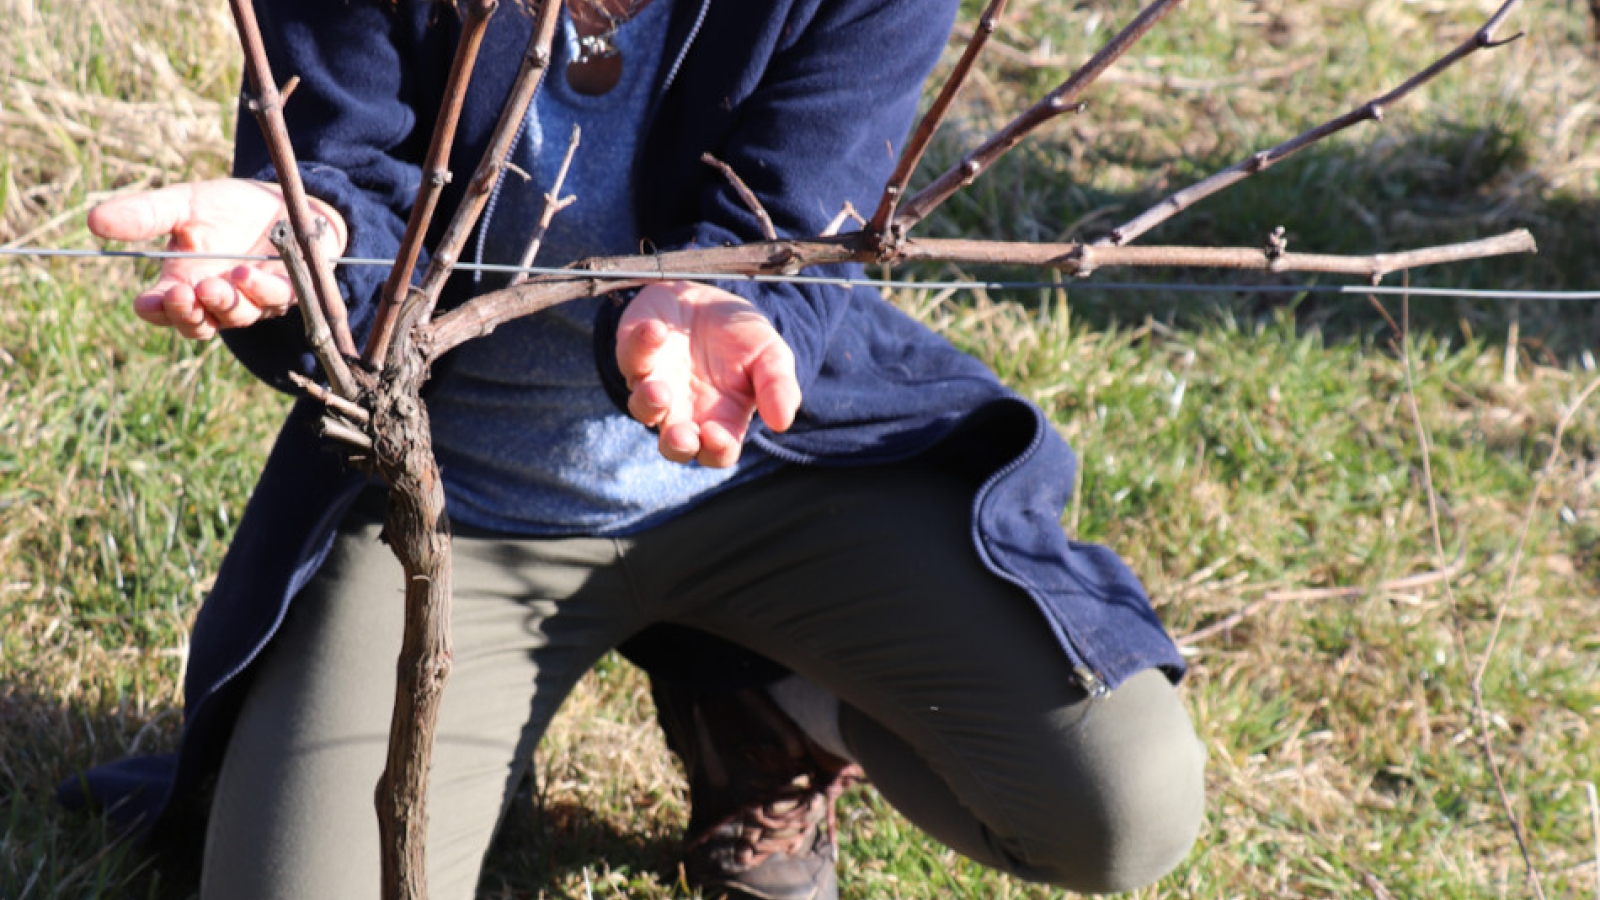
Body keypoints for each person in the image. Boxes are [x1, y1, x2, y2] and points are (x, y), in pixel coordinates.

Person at [67, 0, 1207, 897]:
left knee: (1122, 806)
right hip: (452, 511)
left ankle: (774, 706)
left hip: (774, 470)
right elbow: (348, 176)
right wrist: (308, 237)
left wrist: (723, 304)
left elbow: (803, 215)